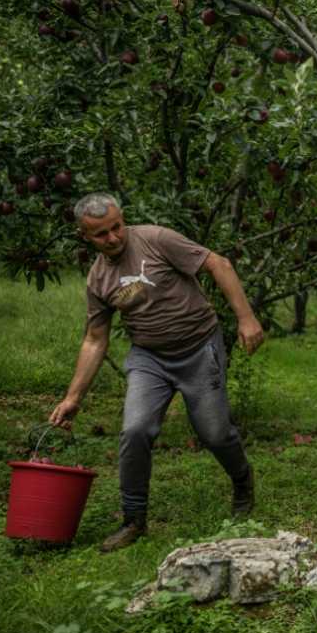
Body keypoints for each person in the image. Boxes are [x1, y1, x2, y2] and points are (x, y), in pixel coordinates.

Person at [48, 193, 265, 552]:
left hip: (198, 347)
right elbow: (94, 340)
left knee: (214, 432)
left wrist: (246, 318)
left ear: (123, 220)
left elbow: (219, 264)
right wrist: (73, 398)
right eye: (101, 234)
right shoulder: (98, 279)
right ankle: (134, 520)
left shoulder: (157, 239)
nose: (113, 237)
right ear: (84, 236)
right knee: (134, 430)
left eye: (116, 227)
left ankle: (242, 480)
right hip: (149, 358)